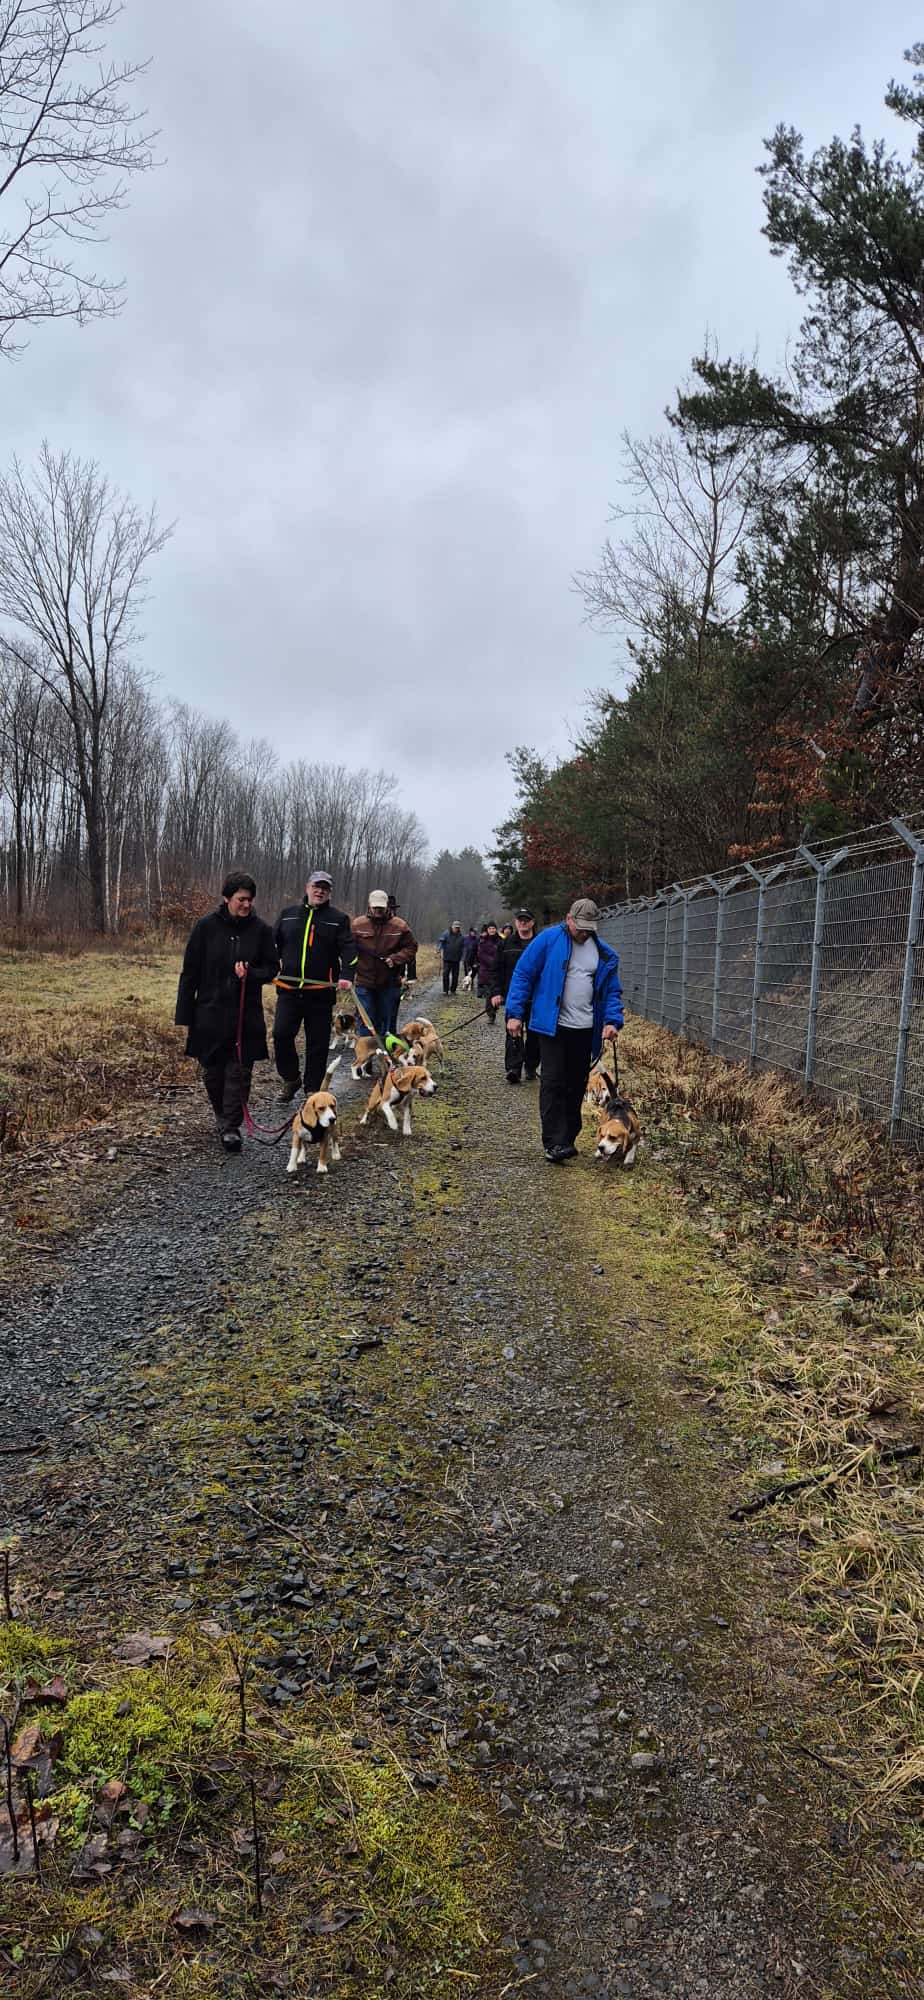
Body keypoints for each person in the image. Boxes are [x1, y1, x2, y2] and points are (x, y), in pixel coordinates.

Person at [506, 897, 622, 1163]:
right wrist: (514, 1013)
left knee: (575, 1085)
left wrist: (612, 1021)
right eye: (580, 927)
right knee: (552, 1083)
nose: (583, 933)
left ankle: (568, 1138)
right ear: (569, 919)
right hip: (552, 1028)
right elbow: (523, 974)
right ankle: (553, 1143)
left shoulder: (603, 953)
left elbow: (611, 992)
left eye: (589, 928)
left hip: (585, 1030)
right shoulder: (548, 940)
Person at [175, 871, 277, 1152]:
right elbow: (190, 972)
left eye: (250, 900)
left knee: (239, 1072)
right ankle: (222, 1117)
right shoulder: (205, 927)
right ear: (227, 898)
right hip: (209, 1013)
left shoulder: (261, 930)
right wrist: (185, 1014)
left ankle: (231, 1127)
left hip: (246, 1015)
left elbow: (272, 968)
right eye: (241, 899)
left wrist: (251, 974)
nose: (246, 904)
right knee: (213, 1072)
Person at [273, 869, 357, 1103]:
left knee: (317, 1044)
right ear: (307, 888)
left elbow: (349, 950)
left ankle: (313, 1089)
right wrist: (267, 967)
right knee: (281, 1035)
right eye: (316, 886)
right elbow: (272, 945)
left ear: (330, 893)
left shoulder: (338, 919)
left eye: (325, 888)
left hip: (320, 993)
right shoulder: (287, 915)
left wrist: (346, 975)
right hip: (289, 990)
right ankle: (291, 1078)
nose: (320, 891)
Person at [352, 889, 417, 1044]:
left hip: (390, 983)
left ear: (387, 906)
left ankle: (387, 1056)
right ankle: (367, 1056)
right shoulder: (357, 925)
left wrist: (396, 959)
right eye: (375, 907)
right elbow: (347, 948)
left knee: (387, 1023)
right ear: (369, 905)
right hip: (364, 982)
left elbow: (411, 948)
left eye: (381, 907)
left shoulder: (400, 926)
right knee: (366, 1022)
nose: (378, 910)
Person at [492, 908, 540, 1082]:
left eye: (526, 919)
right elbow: (496, 969)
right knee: (513, 1031)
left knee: (535, 1035)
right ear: (515, 922)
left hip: (536, 998)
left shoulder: (540, 943)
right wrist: (496, 992)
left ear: (532, 922)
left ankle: (531, 1066)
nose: (523, 922)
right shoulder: (505, 944)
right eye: (520, 920)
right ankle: (514, 1068)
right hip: (513, 997)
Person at [476, 921, 501, 999]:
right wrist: (493, 962)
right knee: (489, 996)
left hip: (498, 972)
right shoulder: (483, 941)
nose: (492, 930)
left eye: (493, 928)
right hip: (486, 971)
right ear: (487, 930)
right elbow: (481, 955)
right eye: (490, 928)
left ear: (496, 929)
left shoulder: (501, 941)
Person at [441, 920, 465, 994]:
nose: (456, 929)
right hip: (447, 958)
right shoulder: (446, 934)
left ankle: (453, 990)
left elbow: (463, 948)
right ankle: (445, 990)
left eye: (458, 928)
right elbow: (441, 942)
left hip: (456, 959)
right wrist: (439, 949)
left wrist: (463, 957)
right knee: (445, 974)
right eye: (455, 927)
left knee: (455, 976)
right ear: (452, 927)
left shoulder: (461, 937)